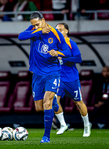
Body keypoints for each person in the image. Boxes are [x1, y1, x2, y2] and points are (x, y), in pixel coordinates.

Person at [18, 11, 71, 143]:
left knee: (47, 103)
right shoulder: (33, 29)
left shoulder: (56, 34)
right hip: (37, 74)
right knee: (39, 107)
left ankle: (46, 136)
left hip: (52, 72)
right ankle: (53, 102)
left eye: (37, 24)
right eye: (33, 25)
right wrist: (39, 31)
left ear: (43, 19)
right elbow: (20, 36)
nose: (35, 27)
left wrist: (57, 52)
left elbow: (67, 51)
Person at [53, 23, 91, 137]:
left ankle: (86, 125)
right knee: (54, 101)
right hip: (58, 78)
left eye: (60, 30)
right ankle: (63, 124)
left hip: (71, 78)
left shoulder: (71, 43)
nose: (58, 32)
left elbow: (78, 58)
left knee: (78, 103)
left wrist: (62, 59)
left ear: (66, 31)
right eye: (56, 30)